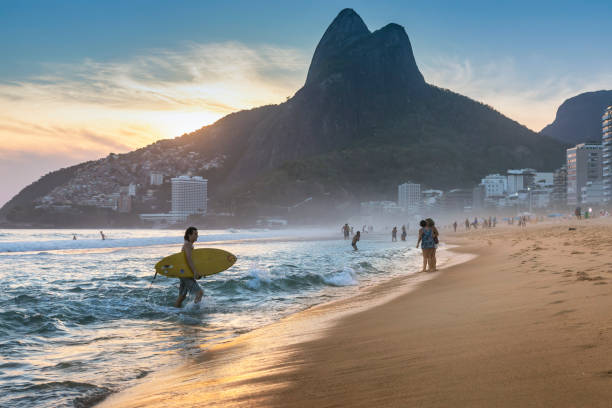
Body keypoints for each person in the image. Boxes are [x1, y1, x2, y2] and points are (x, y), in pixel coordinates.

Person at [175, 226, 204, 308]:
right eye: (195, 234)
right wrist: (194, 271)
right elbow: (188, 259)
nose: (197, 236)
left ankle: (175, 311)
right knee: (199, 293)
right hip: (185, 273)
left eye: (197, 234)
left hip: (184, 273)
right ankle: (194, 311)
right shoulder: (188, 245)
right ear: (189, 235)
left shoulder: (188, 245)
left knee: (182, 296)